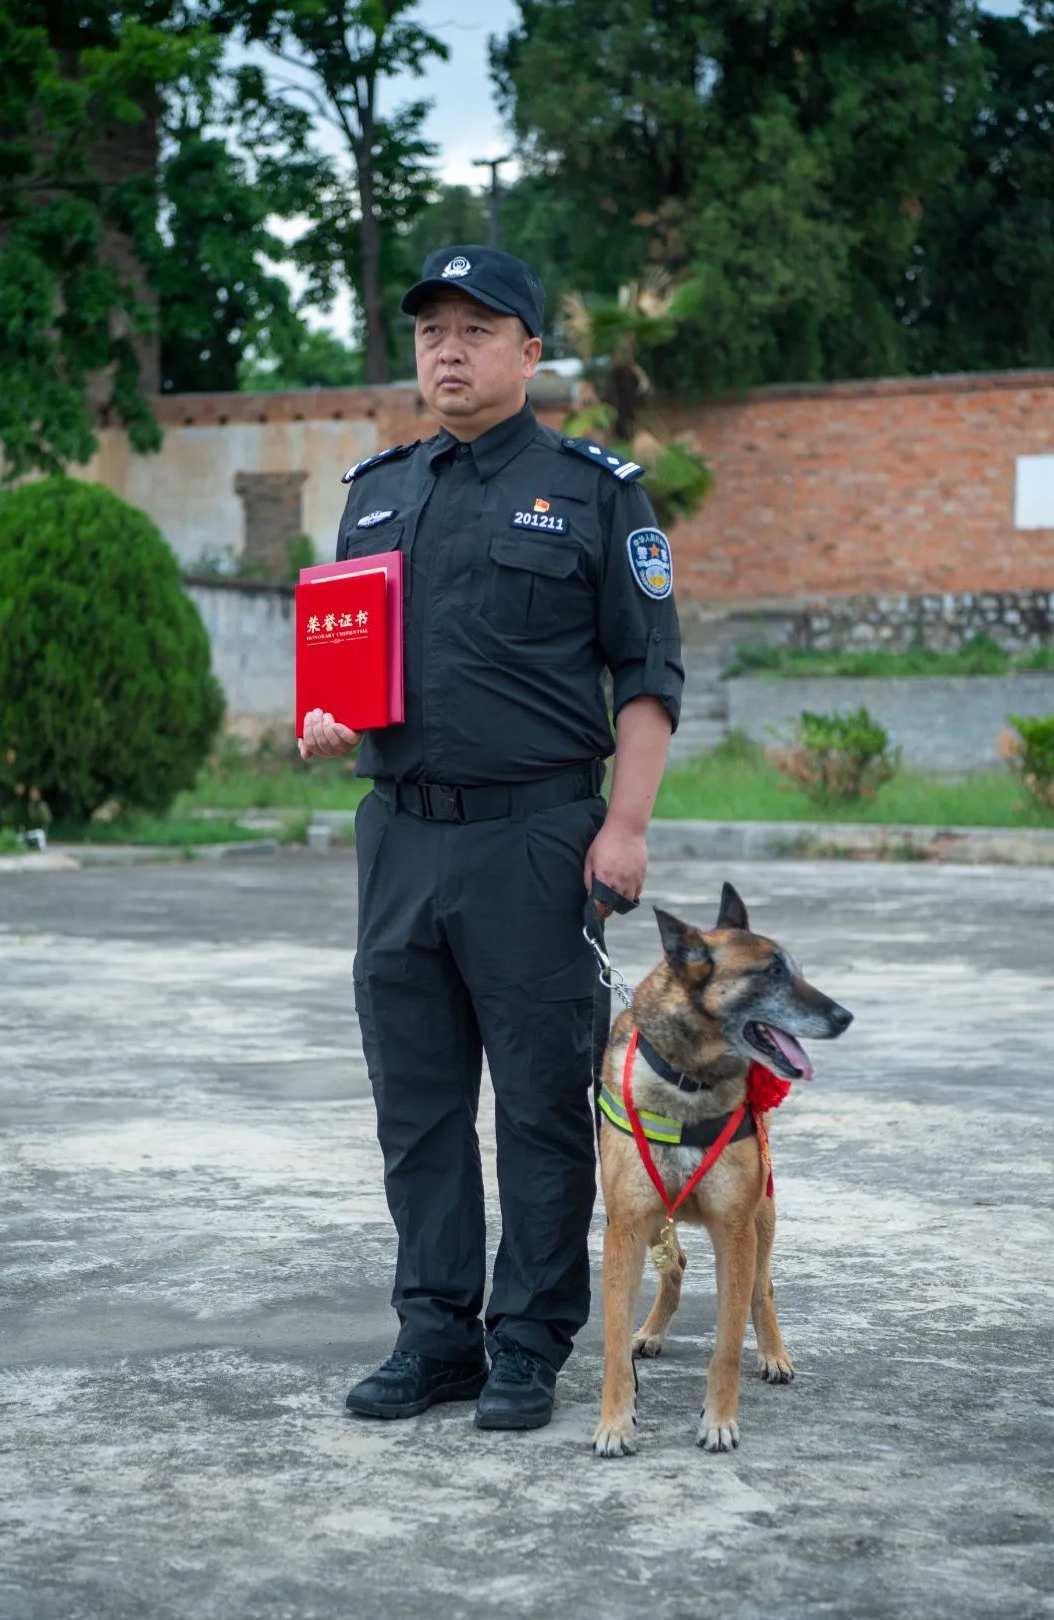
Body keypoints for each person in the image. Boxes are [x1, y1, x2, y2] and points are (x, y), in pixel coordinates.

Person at [299, 244, 684, 1431]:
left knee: (533, 1103)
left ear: (529, 350)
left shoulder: (595, 489)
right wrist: (323, 714)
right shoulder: (377, 489)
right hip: (400, 841)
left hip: (536, 842)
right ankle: (435, 1335)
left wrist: (625, 825)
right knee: (414, 1105)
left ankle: (527, 1344)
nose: (449, 351)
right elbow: (351, 657)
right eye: (431, 332)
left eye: (477, 329)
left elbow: (649, 668)